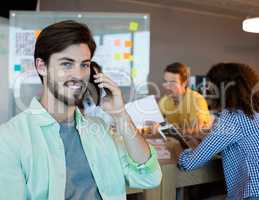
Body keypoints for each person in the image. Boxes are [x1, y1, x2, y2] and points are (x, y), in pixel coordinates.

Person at [0, 20, 161, 200]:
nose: (78, 75)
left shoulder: (100, 129)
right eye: (66, 64)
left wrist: (120, 115)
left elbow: (150, 178)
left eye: (84, 65)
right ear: (41, 66)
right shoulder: (9, 138)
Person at [178, 62, 259, 200]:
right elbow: (242, 146)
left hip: (254, 195)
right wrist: (202, 143)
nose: (207, 92)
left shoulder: (234, 116)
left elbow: (189, 163)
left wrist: (176, 148)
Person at [159, 62, 212, 137]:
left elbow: (197, 130)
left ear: (184, 83)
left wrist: (172, 132)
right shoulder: (164, 101)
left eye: (173, 83)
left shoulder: (196, 100)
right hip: (174, 143)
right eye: (165, 82)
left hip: (196, 146)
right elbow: (158, 124)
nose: (167, 87)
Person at [79, 61, 113, 126]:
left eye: (99, 74)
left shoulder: (107, 93)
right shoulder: (81, 95)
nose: (97, 78)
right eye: (94, 76)